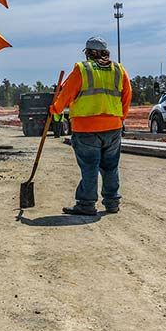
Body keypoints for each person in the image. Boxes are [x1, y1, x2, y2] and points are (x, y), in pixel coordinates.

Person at [50, 36, 132, 216]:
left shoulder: (82, 70)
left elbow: (66, 94)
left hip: (86, 129)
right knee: (110, 166)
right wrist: (120, 118)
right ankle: (112, 202)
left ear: (88, 53)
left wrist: (55, 109)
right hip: (113, 127)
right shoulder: (119, 70)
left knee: (89, 167)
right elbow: (127, 96)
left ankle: (87, 204)